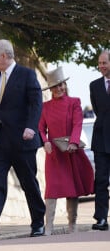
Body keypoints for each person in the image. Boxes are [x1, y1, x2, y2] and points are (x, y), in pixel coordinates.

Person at [0, 39, 46, 239]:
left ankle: (38, 222)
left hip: (22, 140)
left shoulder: (27, 75)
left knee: (29, 183)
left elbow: (36, 104)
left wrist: (31, 127)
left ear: (5, 56)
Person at [39, 67, 94, 235]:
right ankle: (48, 226)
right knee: (52, 190)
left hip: (71, 151)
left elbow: (78, 124)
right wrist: (45, 142)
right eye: (55, 86)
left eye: (61, 84)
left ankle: (72, 225)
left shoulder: (74, 102)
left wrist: (73, 142)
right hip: (54, 154)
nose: (59, 88)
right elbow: (41, 128)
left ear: (65, 84)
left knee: (72, 190)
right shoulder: (45, 107)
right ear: (50, 89)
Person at [90, 49, 110, 231]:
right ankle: (101, 218)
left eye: (104, 63)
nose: (101, 66)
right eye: (100, 63)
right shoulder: (94, 85)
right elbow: (98, 110)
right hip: (100, 140)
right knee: (101, 180)